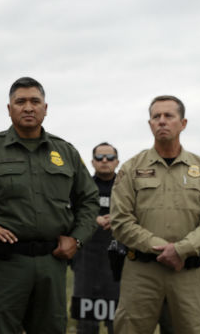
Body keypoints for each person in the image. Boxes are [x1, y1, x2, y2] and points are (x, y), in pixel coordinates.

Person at [0, 77, 99, 334]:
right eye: (20, 101)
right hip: (6, 263)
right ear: (9, 108)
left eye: (35, 101)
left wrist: (77, 239)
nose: (28, 107)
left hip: (52, 261)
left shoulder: (66, 152)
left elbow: (89, 199)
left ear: (45, 108)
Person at [110, 95, 200, 334]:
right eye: (156, 117)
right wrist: (162, 248)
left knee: (199, 329)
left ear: (182, 123)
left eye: (168, 116)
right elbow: (121, 221)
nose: (162, 121)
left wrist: (181, 250)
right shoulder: (131, 169)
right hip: (142, 271)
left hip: (190, 272)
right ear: (150, 124)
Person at [71, 142, 120, 334]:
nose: (105, 161)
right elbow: (69, 215)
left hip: (118, 263)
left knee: (117, 323)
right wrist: (93, 219)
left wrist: (118, 219)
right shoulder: (81, 189)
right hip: (86, 262)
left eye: (109, 157)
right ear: (92, 162)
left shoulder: (127, 189)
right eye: (100, 158)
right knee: (86, 324)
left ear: (117, 161)